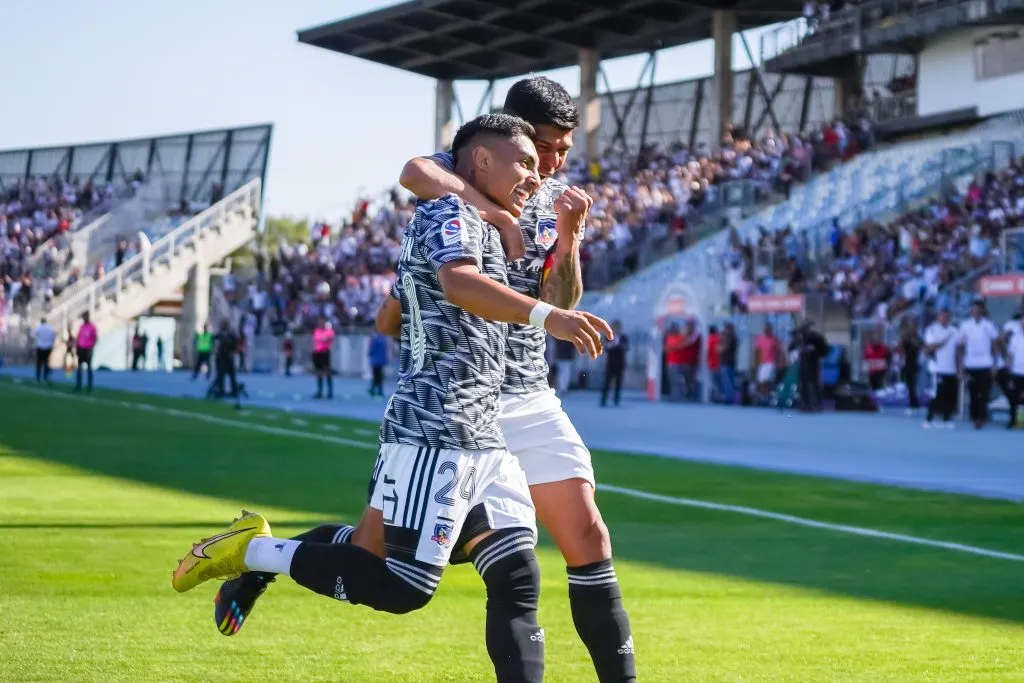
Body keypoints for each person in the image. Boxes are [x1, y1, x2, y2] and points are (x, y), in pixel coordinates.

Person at [219, 83, 637, 682]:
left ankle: (263, 555)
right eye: (544, 147)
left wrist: (568, 238)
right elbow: (415, 174)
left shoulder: (549, 199)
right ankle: (259, 556)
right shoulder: (458, 188)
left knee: (577, 544)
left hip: (524, 390)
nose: (553, 163)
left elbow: (560, 298)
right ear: (506, 137)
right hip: (457, 401)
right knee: (390, 564)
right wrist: (487, 220)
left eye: (564, 150)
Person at [959, 299, 998, 430]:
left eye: (977, 309)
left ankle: (982, 418)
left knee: (984, 394)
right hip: (970, 364)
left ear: (982, 310)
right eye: (973, 309)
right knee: (973, 393)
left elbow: (994, 346)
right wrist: (961, 366)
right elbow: (960, 346)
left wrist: (995, 364)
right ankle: (974, 417)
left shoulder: (989, 325)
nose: (975, 312)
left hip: (986, 364)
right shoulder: (965, 326)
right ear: (971, 311)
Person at [923, 308, 959, 429]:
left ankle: (946, 419)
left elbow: (958, 350)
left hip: (951, 368)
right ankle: (928, 419)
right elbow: (930, 347)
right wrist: (944, 341)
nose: (944, 319)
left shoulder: (954, 330)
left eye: (947, 317)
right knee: (936, 395)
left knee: (949, 395)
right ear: (938, 317)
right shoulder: (932, 329)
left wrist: (959, 368)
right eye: (942, 316)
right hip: (938, 368)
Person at [793, 320, 828, 412]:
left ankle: (817, 405)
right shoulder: (799, 338)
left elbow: (824, 350)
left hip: (813, 363)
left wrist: (814, 350)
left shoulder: (816, 337)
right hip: (802, 363)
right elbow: (792, 348)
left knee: (814, 384)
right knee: (803, 384)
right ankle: (805, 404)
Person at [208, 318, 239, 400]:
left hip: (228, 359)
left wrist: (233, 352)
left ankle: (234, 391)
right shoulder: (218, 336)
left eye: (223, 324)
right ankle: (220, 391)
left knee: (231, 376)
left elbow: (235, 346)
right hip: (220, 359)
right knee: (220, 376)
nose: (222, 326)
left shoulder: (231, 335)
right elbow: (213, 345)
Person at [1004, 309, 1024, 429]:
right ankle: (1012, 420)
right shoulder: (1015, 338)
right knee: (1013, 398)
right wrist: (1009, 371)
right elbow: (1010, 356)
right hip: (1016, 372)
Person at [600, 321, 628, 407]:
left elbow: (626, 347)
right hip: (610, 363)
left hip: (620, 363)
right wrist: (611, 345)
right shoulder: (608, 337)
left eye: (618, 327)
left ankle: (616, 400)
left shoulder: (624, 337)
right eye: (615, 327)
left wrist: (618, 346)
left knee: (618, 382)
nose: (616, 329)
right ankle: (603, 400)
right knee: (607, 382)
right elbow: (605, 347)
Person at [899, 319, 923, 415]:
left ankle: (914, 404)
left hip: (915, 363)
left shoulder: (917, 338)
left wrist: (913, 338)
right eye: (910, 326)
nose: (911, 328)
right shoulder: (905, 338)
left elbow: (919, 346)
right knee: (909, 385)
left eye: (913, 326)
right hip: (906, 363)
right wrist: (905, 336)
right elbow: (900, 346)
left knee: (913, 384)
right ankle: (913, 403)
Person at [312, 318, 335, 400]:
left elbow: (329, 339)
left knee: (327, 371)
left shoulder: (329, 331)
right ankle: (320, 391)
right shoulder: (316, 331)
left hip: (325, 352)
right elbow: (318, 340)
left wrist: (324, 339)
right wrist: (323, 339)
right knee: (318, 372)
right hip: (317, 353)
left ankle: (330, 391)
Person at [74, 312, 97, 393]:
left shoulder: (92, 327)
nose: (84, 319)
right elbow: (78, 337)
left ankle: (89, 386)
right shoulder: (82, 326)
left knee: (89, 368)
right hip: (81, 349)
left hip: (88, 349)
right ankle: (78, 385)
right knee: (79, 368)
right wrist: (77, 348)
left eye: (85, 317)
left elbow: (95, 338)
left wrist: (91, 348)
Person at [718, 322, 739, 405]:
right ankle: (730, 397)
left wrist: (720, 347)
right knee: (729, 380)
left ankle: (729, 398)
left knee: (727, 381)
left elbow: (721, 348)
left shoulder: (730, 338)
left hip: (726, 362)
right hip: (730, 362)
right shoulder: (733, 338)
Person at [32, 317, 57, 383]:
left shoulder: (38, 328)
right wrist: (51, 342)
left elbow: (33, 335)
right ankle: (45, 377)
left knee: (39, 363)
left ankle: (38, 377)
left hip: (40, 346)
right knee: (46, 362)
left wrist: (39, 339)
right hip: (48, 347)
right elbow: (54, 336)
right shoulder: (50, 328)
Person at [367, 329, 388, 398]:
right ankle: (379, 390)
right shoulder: (384, 339)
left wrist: (370, 354)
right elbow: (385, 351)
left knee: (375, 376)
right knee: (380, 376)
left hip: (375, 360)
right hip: (381, 360)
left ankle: (374, 390)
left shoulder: (375, 339)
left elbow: (371, 349)